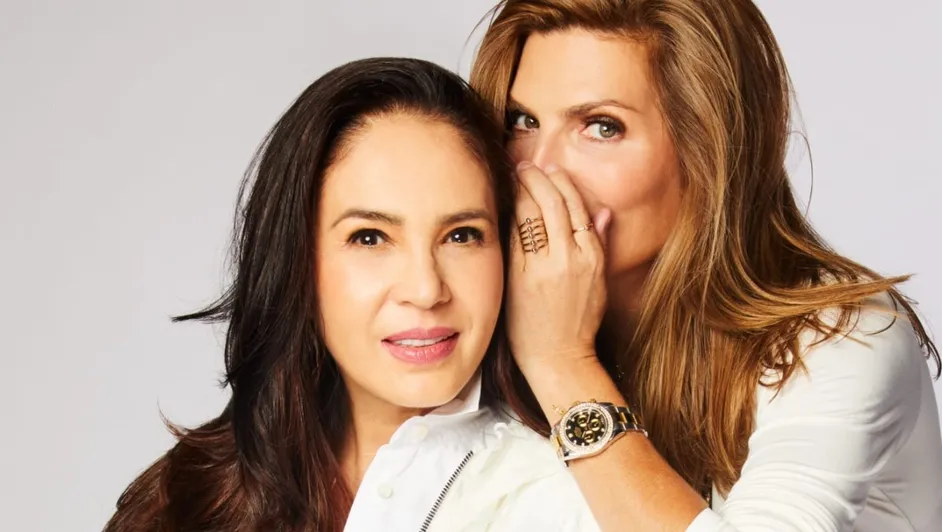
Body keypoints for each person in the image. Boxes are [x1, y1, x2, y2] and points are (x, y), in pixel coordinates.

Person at [467, 1, 942, 531]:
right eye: (522, 121)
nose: (538, 168)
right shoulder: (482, 314)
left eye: (601, 127)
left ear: (707, 152)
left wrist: (561, 364)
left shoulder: (841, 335)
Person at [104, 57, 598, 532]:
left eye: (461, 235)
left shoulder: (565, 502)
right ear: (297, 257)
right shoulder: (194, 489)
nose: (426, 289)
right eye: (370, 238)